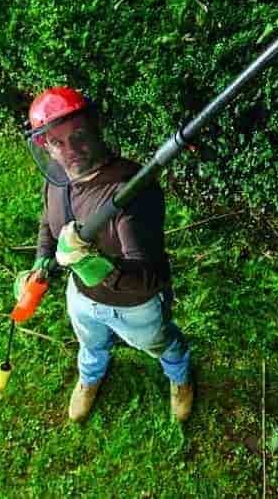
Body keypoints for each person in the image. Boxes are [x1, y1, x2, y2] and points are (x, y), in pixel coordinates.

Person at [16, 86, 193, 423]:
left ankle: (180, 377)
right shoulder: (57, 181)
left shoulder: (130, 194)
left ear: (96, 128)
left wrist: (92, 264)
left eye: (80, 135)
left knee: (162, 344)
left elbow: (149, 278)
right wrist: (41, 260)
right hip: (81, 299)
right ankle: (89, 378)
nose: (72, 150)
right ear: (45, 146)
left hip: (135, 309)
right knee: (91, 345)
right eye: (58, 142)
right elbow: (48, 222)